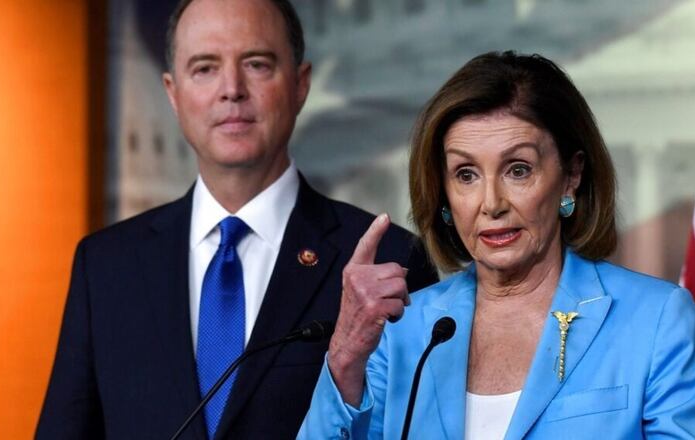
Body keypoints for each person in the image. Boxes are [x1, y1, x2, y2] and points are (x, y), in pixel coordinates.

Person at [36, 1, 438, 439]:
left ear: (300, 84)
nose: (232, 89)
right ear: (172, 93)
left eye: (257, 64)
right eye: (204, 68)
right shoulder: (106, 265)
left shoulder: (389, 260)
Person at [298, 51, 695, 439]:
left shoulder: (657, 320)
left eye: (518, 170)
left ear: (571, 176)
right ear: (444, 193)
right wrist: (345, 357)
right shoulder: (399, 333)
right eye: (466, 175)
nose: (491, 204)